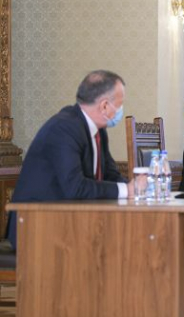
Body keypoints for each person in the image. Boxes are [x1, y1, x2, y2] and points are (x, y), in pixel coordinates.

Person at [7, 70, 138, 249]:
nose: (121, 111)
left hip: (69, 220)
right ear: (104, 106)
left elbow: (110, 175)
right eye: (120, 105)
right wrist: (126, 190)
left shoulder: (98, 131)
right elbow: (75, 188)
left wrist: (137, 189)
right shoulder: (64, 128)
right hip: (36, 226)